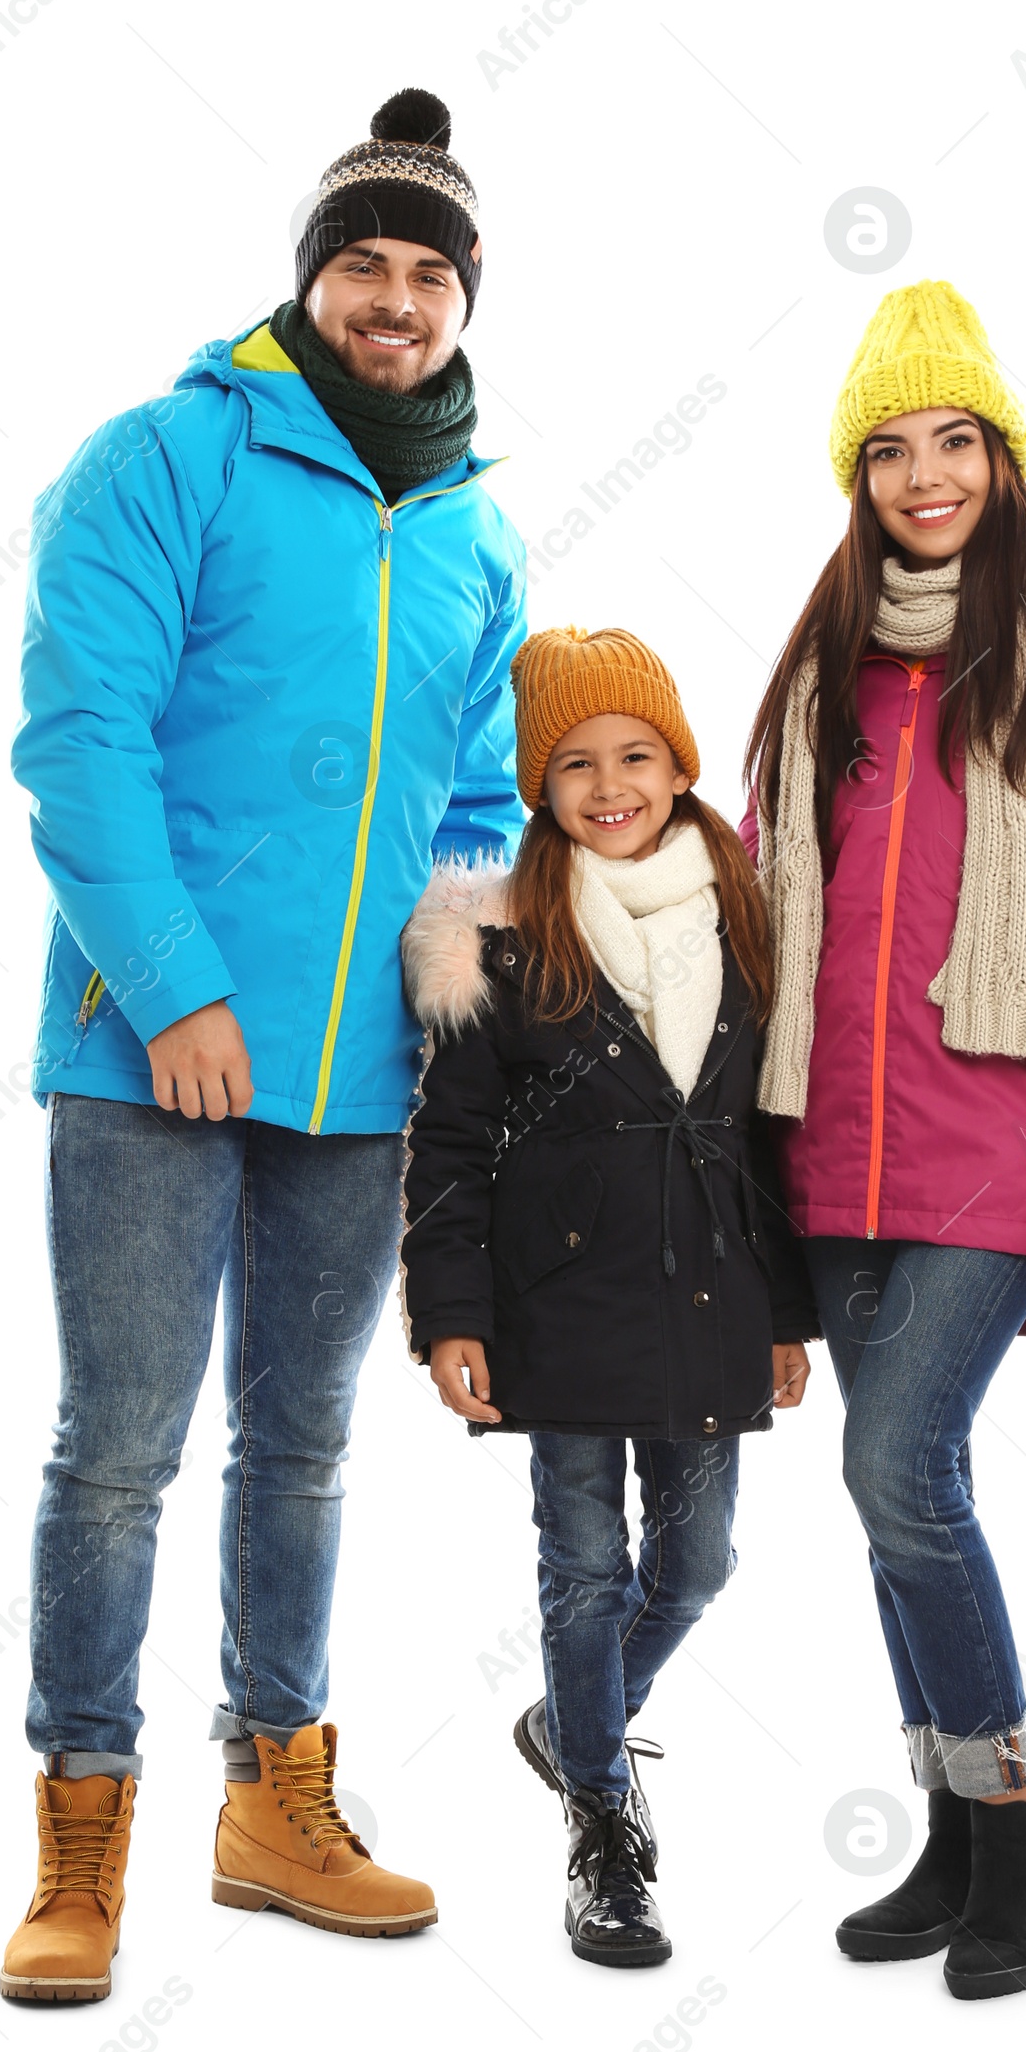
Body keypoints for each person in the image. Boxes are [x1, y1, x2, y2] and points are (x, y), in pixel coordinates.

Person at [1, 87, 527, 2003]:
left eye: (429, 274)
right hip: (151, 1058)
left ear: (466, 304)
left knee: (302, 1449)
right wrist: (175, 987)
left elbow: (482, 802)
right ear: (308, 280)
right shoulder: (167, 459)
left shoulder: (478, 531)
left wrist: (458, 1019)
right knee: (121, 1453)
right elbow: (80, 739)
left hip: (362, 1082)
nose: (395, 301)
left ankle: (275, 1801)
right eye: (363, 263)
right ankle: (80, 1840)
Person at [742, 280, 1026, 1998]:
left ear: (1002, 456)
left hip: (1003, 1165)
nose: (921, 475)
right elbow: (767, 912)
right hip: (831, 1162)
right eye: (886, 449)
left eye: (952, 440)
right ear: (855, 478)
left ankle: (1017, 1828)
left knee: (896, 1474)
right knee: (894, 1506)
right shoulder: (826, 683)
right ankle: (948, 1829)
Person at [398, 627, 817, 1966]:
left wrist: (789, 1310)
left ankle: (580, 1717)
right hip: (556, 1311)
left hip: (709, 1308)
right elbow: (451, 1145)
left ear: (679, 766)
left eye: (636, 754)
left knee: (699, 1562)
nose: (609, 782)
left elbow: (767, 1137)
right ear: (541, 786)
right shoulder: (500, 934)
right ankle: (604, 1832)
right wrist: (450, 1312)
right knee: (582, 1568)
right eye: (575, 763)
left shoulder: (741, 911)